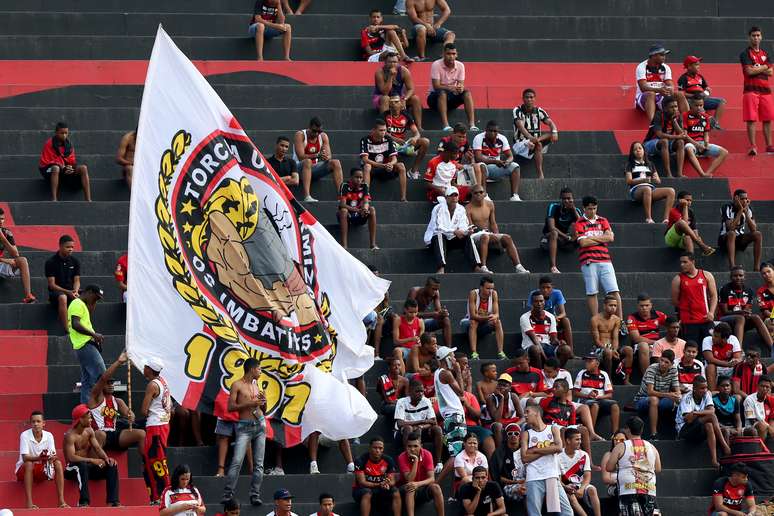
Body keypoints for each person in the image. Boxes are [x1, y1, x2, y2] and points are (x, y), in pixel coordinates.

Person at [222, 357, 266, 506]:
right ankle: (228, 494)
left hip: (260, 425)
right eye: (259, 369)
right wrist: (250, 403)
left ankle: (255, 494)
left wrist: (263, 401)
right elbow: (231, 407)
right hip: (244, 426)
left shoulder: (256, 385)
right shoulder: (237, 385)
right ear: (252, 369)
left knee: (259, 463)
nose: (260, 371)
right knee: (237, 461)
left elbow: (262, 409)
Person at [575, 196, 623, 321]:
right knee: (592, 292)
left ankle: (620, 322)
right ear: (584, 208)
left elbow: (610, 238)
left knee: (614, 291)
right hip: (588, 261)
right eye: (589, 209)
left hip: (605, 260)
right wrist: (602, 238)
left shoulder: (603, 220)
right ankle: (596, 321)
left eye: (594, 208)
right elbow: (583, 243)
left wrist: (591, 239)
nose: (592, 211)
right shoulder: (579, 223)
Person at [63, 404, 120, 507]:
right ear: (80, 420)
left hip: (86, 468)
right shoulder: (70, 436)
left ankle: (113, 502)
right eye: (89, 418)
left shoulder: (89, 431)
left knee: (112, 465)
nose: (91, 420)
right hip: (71, 469)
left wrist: (106, 459)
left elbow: (98, 448)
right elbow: (72, 457)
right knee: (82, 465)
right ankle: (83, 502)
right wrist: (92, 460)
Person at [520, 404, 572, 516]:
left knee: (567, 513)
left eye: (527, 412)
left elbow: (558, 448)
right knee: (534, 513)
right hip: (533, 477)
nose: (525, 415)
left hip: (551, 475)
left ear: (537, 413)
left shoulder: (553, 428)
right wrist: (549, 449)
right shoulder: (526, 434)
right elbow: (524, 458)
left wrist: (534, 450)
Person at [466, 185, 530, 273]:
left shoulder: (490, 204)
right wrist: (487, 234)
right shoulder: (468, 208)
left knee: (507, 238)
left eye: (481, 192)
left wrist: (496, 236)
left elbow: (493, 223)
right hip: (475, 236)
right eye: (476, 193)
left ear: (484, 193)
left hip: (488, 233)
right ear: (472, 194)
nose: (479, 194)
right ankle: (483, 266)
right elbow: (471, 227)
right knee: (485, 236)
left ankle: (518, 266)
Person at [605, 417, 661, 516]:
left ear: (627, 429)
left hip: (628, 489)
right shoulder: (652, 447)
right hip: (649, 488)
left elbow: (609, 468)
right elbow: (658, 469)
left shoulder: (621, 446)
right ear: (642, 429)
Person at [424, 186, 483, 274]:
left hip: (452, 239)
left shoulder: (461, 209)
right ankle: (441, 267)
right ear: (446, 197)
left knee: (468, 238)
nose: (454, 198)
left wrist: (466, 231)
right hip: (435, 241)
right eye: (451, 195)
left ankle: (477, 266)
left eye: (456, 195)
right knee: (439, 235)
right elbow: (438, 227)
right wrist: (454, 231)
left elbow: (463, 225)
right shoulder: (438, 208)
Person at [15, 411, 67, 509]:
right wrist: (40, 458)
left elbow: (53, 454)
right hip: (24, 470)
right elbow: (25, 458)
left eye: (38, 421)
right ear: (30, 423)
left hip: (41, 468)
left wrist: (51, 458)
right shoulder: (25, 435)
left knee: (58, 463)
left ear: (43, 423)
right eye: (33, 422)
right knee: (29, 464)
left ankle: (61, 501)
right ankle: (29, 503)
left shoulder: (49, 435)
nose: (35, 424)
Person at [675, 375, 731, 467]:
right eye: (702, 388)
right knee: (711, 417)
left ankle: (714, 460)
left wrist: (695, 413)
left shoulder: (707, 394)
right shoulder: (687, 398)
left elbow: (711, 410)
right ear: (694, 388)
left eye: (706, 387)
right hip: (684, 430)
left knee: (710, 425)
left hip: (697, 429)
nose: (705, 390)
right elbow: (688, 420)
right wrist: (701, 413)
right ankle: (725, 446)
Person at [141, 356, 172, 503]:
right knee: (157, 461)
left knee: (156, 462)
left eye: (146, 366)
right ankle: (157, 495)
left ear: (150, 369)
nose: (144, 368)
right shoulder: (163, 382)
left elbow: (144, 410)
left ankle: (163, 495)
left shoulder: (152, 385)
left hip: (155, 427)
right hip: (164, 424)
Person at [68, 284, 106, 404]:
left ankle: (85, 411)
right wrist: (94, 335)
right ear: (88, 292)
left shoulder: (82, 305)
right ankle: (103, 407)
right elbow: (75, 324)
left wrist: (92, 302)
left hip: (85, 345)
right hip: (85, 345)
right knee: (102, 375)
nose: (96, 301)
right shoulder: (77, 303)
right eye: (95, 297)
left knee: (88, 380)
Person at [719, 266, 773, 348]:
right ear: (731, 277)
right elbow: (725, 312)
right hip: (726, 320)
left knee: (756, 317)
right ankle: (738, 349)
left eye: (740, 276)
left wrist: (744, 313)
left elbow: (747, 311)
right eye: (735, 276)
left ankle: (772, 347)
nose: (738, 278)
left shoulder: (749, 291)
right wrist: (740, 312)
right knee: (740, 318)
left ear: (745, 277)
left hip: (742, 321)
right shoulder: (725, 289)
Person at [427, 44, 477, 132]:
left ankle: (472, 125)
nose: (451, 56)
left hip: (450, 97)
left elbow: (461, 84)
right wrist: (451, 88)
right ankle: (446, 125)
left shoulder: (460, 65)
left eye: (453, 54)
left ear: (456, 54)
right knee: (442, 92)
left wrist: (460, 88)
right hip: (434, 98)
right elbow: (436, 86)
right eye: (448, 54)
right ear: (443, 54)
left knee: (467, 93)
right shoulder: (436, 64)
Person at [740, 26, 774, 155]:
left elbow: (771, 72)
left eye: (758, 35)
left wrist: (758, 68)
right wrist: (765, 66)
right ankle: (753, 146)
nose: (756, 38)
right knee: (751, 119)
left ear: (761, 37)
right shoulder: (745, 54)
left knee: (767, 119)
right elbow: (749, 71)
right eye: (753, 35)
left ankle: (769, 146)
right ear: (749, 38)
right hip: (750, 90)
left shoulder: (765, 53)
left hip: (766, 91)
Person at [394, 380, 443, 469]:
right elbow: (400, 423)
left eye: (422, 391)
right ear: (410, 391)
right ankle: (408, 460)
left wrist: (421, 426)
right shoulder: (401, 402)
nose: (420, 394)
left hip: (421, 430)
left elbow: (433, 421)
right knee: (408, 428)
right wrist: (422, 421)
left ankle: (438, 462)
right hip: (403, 433)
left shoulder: (426, 401)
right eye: (417, 391)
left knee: (437, 429)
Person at [293, 117, 343, 202]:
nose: (316, 134)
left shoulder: (323, 136)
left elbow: (329, 155)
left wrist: (326, 157)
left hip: (313, 169)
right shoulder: (300, 135)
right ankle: (307, 196)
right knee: (307, 162)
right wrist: (317, 155)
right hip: (298, 169)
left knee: (335, 162)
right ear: (309, 127)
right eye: (314, 131)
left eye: (319, 131)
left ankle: (341, 196)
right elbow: (301, 156)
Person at [672, 251, 718, 344]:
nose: (682, 265)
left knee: (709, 346)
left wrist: (711, 312)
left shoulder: (706, 275)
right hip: (689, 322)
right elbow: (675, 301)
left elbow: (714, 296)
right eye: (681, 262)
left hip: (706, 319)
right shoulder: (678, 279)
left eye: (685, 262)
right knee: (692, 348)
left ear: (693, 262)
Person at [38, 121, 91, 201]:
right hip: (49, 169)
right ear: (56, 133)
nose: (64, 135)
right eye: (62, 133)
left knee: (83, 168)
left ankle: (88, 199)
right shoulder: (49, 143)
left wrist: (70, 167)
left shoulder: (69, 145)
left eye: (66, 133)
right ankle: (54, 199)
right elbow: (46, 162)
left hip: (64, 169)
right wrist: (62, 167)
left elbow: (72, 161)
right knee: (56, 168)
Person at [633, 350, 681, 438]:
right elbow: (650, 392)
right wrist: (669, 395)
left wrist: (677, 396)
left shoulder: (673, 370)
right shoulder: (652, 368)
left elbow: (677, 390)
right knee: (654, 399)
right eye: (661, 360)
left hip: (662, 399)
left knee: (677, 400)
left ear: (671, 364)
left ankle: (678, 433)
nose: (663, 364)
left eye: (666, 362)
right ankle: (654, 434)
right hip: (643, 399)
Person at [624, 141, 675, 224]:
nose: (638, 150)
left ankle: (666, 219)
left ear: (644, 150)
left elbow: (658, 180)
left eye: (640, 148)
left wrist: (655, 179)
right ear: (632, 153)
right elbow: (629, 181)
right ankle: (649, 218)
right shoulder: (630, 165)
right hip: (636, 190)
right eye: (635, 149)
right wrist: (643, 180)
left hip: (650, 189)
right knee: (647, 189)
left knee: (671, 191)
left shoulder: (650, 164)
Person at [512, 88, 558, 179]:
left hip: (535, 142)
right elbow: (520, 126)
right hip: (520, 144)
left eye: (531, 97)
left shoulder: (539, 111)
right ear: (523, 99)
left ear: (535, 99)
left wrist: (555, 131)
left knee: (549, 136)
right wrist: (529, 137)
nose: (529, 99)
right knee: (538, 145)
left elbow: (550, 122)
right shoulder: (517, 110)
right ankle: (540, 174)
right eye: (527, 97)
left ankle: (537, 141)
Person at [397, 432, 445, 516]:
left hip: (422, 486)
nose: (412, 449)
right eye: (409, 446)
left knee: (436, 487)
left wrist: (417, 484)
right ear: (406, 447)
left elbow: (432, 479)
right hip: (405, 489)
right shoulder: (402, 457)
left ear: (421, 446)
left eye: (415, 446)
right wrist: (416, 461)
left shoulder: (427, 454)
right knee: (410, 487)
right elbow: (409, 479)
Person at [521, 291, 572, 368]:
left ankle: (556, 372)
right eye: (536, 301)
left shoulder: (550, 316)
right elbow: (534, 340)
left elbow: (553, 339)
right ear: (532, 303)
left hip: (547, 346)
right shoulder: (524, 317)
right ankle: (540, 373)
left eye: (541, 301)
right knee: (536, 349)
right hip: (531, 347)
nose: (539, 304)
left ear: (544, 302)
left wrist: (559, 342)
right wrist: (546, 359)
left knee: (566, 349)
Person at [472, 121, 522, 201]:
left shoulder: (502, 138)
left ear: (498, 132)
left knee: (515, 166)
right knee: (481, 165)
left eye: (495, 131)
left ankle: (514, 196)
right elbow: (478, 158)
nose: (492, 133)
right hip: (483, 168)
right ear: (486, 130)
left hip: (496, 167)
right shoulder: (479, 138)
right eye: (490, 131)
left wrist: (507, 162)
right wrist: (495, 162)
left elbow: (510, 156)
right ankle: (484, 194)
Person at [360, 119, 407, 202]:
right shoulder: (365, 140)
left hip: (387, 168)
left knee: (401, 166)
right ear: (373, 130)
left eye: (385, 130)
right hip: (373, 170)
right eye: (381, 130)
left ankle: (403, 197)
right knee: (367, 166)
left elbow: (394, 159)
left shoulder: (388, 139)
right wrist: (382, 165)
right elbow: (365, 160)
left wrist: (390, 164)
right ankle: (366, 196)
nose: (383, 132)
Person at [682, 95, 729, 177]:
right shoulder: (685, 116)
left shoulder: (706, 117)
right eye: (696, 105)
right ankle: (702, 174)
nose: (699, 108)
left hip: (702, 143)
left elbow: (706, 134)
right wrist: (697, 145)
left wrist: (706, 143)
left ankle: (708, 173)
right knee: (689, 149)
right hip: (691, 143)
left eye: (701, 105)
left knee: (724, 152)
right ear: (691, 105)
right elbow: (685, 135)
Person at [574, 355, 620, 438]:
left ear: (597, 364)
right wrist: (587, 395)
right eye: (586, 361)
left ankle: (615, 434)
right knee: (594, 405)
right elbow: (575, 392)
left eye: (590, 361)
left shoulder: (604, 374)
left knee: (615, 405)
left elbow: (610, 394)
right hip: (585, 400)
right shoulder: (582, 373)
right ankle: (592, 433)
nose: (586, 364)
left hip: (600, 400)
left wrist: (599, 397)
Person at [353, 437, 401, 516]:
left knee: (395, 491)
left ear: (383, 449)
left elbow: (392, 481)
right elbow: (362, 482)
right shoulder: (361, 460)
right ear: (370, 448)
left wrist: (387, 484)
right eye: (375, 448)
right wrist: (379, 484)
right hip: (360, 491)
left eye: (380, 448)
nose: (378, 450)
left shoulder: (388, 460)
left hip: (381, 489)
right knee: (367, 492)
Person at [558, 428, 601, 516]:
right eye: (577, 439)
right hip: (565, 487)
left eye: (580, 439)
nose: (580, 442)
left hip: (581, 485)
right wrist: (566, 487)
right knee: (572, 497)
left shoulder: (584, 454)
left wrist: (581, 489)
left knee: (592, 489)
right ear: (568, 440)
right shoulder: (558, 456)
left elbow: (587, 476)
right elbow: (558, 479)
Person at [461, 275, 505, 359]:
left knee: (498, 322)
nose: (490, 291)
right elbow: (473, 316)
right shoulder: (473, 293)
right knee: (474, 322)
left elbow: (497, 314)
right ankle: (474, 353)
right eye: (488, 288)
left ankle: (501, 352)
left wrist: (493, 317)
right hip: (468, 322)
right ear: (481, 287)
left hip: (484, 323)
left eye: (492, 288)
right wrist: (488, 318)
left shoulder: (494, 294)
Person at [384, 95, 429, 177]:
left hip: (404, 144)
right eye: (392, 102)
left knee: (425, 141)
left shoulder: (406, 115)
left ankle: (413, 172)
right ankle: (394, 172)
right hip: (391, 144)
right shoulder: (384, 115)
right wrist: (396, 139)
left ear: (401, 104)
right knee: (389, 144)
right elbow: (383, 133)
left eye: (396, 102)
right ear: (389, 105)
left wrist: (414, 138)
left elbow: (417, 133)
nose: (394, 104)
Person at [719, 189, 763, 273]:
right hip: (725, 239)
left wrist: (746, 212)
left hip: (739, 239)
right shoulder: (726, 206)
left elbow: (753, 229)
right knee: (732, 233)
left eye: (746, 198)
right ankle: (732, 266)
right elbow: (730, 228)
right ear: (736, 198)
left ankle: (756, 268)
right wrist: (740, 211)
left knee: (758, 234)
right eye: (743, 199)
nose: (745, 201)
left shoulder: (748, 208)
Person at [677, 55, 727, 129]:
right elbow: (681, 93)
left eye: (699, 64)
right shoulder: (683, 78)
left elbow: (706, 87)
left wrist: (707, 91)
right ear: (689, 66)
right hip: (691, 101)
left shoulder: (700, 76)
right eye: (696, 65)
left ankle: (715, 124)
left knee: (722, 101)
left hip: (702, 98)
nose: (699, 66)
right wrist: (693, 96)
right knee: (700, 108)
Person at [642, 95, 686, 178]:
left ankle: (679, 173)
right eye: (672, 107)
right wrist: (677, 137)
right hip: (649, 144)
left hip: (665, 143)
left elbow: (682, 134)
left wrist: (674, 121)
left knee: (680, 142)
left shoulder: (677, 116)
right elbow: (660, 135)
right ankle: (668, 174)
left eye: (676, 106)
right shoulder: (658, 115)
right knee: (664, 141)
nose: (675, 109)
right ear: (665, 108)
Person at [540, 188, 581, 274]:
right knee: (554, 233)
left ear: (573, 199)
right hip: (548, 238)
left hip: (564, 240)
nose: (566, 201)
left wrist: (573, 209)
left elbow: (583, 226)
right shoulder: (553, 207)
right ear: (560, 199)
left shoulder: (576, 211)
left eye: (569, 198)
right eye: (564, 199)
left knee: (582, 235)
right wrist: (568, 237)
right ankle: (553, 267)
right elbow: (552, 227)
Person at [627, 293, 668, 378]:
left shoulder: (658, 314)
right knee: (644, 345)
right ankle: (647, 378)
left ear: (651, 305)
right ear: (637, 306)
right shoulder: (632, 318)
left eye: (647, 305)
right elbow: (636, 338)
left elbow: (671, 325)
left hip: (656, 344)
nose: (644, 308)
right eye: (641, 306)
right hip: (639, 346)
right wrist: (656, 343)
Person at [46, 234, 81, 330]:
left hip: (71, 291)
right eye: (68, 247)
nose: (70, 249)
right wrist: (68, 292)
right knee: (63, 297)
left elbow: (77, 280)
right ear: (60, 246)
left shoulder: (75, 261)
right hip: (56, 293)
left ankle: (84, 326)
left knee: (91, 295)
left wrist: (76, 291)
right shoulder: (51, 262)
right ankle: (67, 329)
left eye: (72, 247)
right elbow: (52, 285)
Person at [529, 276, 574, 353]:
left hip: (553, 320)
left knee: (566, 320)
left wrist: (555, 318)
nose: (545, 290)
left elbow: (563, 313)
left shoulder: (557, 293)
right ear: (539, 287)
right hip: (539, 322)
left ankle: (571, 352)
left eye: (548, 287)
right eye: (543, 288)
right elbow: (532, 312)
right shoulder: (534, 295)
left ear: (552, 287)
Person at [0, 207, 35, 303]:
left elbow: (15, 254)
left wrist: (3, 238)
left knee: (22, 260)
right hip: (2, 261)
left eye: (2, 219)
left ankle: (28, 295)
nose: (1, 221)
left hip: (1, 265)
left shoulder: (6, 233)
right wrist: (6, 260)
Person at [664, 190, 716, 255]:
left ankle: (691, 261)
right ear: (680, 200)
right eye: (687, 200)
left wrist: (698, 238)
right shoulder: (673, 211)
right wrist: (685, 206)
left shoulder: (691, 212)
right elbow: (684, 223)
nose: (689, 202)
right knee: (681, 223)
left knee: (689, 237)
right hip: (671, 239)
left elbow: (694, 230)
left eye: (690, 200)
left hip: (682, 240)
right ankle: (702, 246)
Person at [337, 167, 377, 250]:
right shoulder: (344, 186)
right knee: (343, 211)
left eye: (361, 177)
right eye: (356, 177)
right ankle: (344, 245)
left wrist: (365, 209)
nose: (359, 180)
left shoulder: (364, 186)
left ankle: (373, 245)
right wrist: (358, 210)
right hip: (347, 215)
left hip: (359, 215)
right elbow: (342, 204)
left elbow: (366, 201)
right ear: (351, 177)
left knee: (372, 209)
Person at [489, 423, 526, 510]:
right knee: (522, 490)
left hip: (526, 483)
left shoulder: (525, 451)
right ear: (506, 436)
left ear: (520, 436)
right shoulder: (499, 453)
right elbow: (498, 477)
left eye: (516, 433)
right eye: (510, 433)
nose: (513, 436)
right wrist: (517, 483)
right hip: (508, 486)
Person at [409, 277, 452, 347]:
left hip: (423, 322)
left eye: (437, 289)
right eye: (433, 289)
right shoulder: (415, 291)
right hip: (413, 322)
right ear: (426, 286)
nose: (435, 291)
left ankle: (449, 349)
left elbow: (438, 311)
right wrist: (432, 314)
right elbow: (410, 314)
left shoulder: (436, 294)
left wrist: (443, 313)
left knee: (446, 319)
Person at [635, 45, 674, 121]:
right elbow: (643, 88)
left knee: (679, 95)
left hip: (660, 96)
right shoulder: (641, 67)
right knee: (651, 94)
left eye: (664, 55)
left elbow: (670, 83)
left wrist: (670, 89)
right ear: (654, 56)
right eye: (662, 55)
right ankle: (653, 125)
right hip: (643, 98)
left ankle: (684, 123)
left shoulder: (666, 67)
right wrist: (659, 90)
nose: (664, 57)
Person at [589, 295, 623, 379]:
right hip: (599, 348)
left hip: (612, 347)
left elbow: (615, 338)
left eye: (615, 306)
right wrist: (608, 350)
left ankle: (626, 379)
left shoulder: (617, 320)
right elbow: (596, 340)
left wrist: (614, 350)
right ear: (604, 306)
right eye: (610, 305)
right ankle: (609, 378)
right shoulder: (595, 319)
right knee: (608, 352)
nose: (613, 308)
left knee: (628, 350)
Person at [485, 374, 523, 447]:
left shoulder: (513, 396)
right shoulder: (491, 398)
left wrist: (514, 425)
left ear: (510, 388)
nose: (501, 387)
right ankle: (501, 450)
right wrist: (501, 399)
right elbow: (497, 419)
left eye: (505, 385)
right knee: (498, 425)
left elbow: (522, 417)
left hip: (509, 422)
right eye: (499, 385)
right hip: (492, 424)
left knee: (526, 424)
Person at [703, 322, 743, 391]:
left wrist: (734, 362)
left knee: (739, 365)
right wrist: (727, 364)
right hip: (715, 368)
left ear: (724, 339)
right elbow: (710, 359)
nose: (713, 337)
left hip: (730, 369)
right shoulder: (707, 339)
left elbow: (737, 358)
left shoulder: (733, 339)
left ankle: (735, 391)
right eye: (713, 335)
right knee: (711, 366)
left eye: (716, 336)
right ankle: (713, 394)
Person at [506, 347, 549, 412]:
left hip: (531, 399)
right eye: (516, 363)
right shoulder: (509, 372)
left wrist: (530, 394)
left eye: (521, 363)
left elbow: (544, 393)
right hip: (514, 401)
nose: (518, 366)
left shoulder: (537, 373)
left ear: (528, 360)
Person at [599, 431, 626, 500]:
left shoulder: (630, 455)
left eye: (622, 440)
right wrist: (623, 481)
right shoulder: (608, 455)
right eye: (616, 440)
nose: (618, 442)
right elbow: (606, 479)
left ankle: (655, 510)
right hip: (613, 487)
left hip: (630, 485)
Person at [758, 263, 774, 341]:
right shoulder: (761, 291)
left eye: (769, 271)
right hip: (771, 318)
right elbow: (765, 311)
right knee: (769, 321)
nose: (767, 275)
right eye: (764, 273)